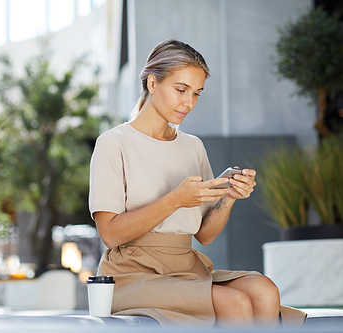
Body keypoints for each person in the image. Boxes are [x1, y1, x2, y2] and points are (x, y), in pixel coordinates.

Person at [88, 39, 306, 327]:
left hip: (187, 267)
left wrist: (228, 196)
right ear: (153, 83)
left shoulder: (192, 146)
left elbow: (204, 235)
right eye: (181, 90)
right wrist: (175, 199)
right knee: (235, 303)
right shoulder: (114, 143)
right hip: (132, 273)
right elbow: (111, 235)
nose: (189, 102)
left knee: (265, 290)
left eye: (197, 93)